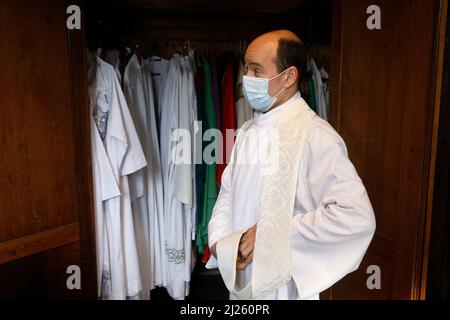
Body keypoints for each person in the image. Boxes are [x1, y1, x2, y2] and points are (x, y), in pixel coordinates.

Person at [206, 30, 376, 300]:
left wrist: (273, 233)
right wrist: (221, 243)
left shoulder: (315, 136)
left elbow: (355, 216)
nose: (246, 79)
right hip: (242, 282)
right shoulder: (248, 131)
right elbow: (228, 193)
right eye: (246, 68)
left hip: (285, 289)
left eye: (257, 71)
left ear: (289, 76)